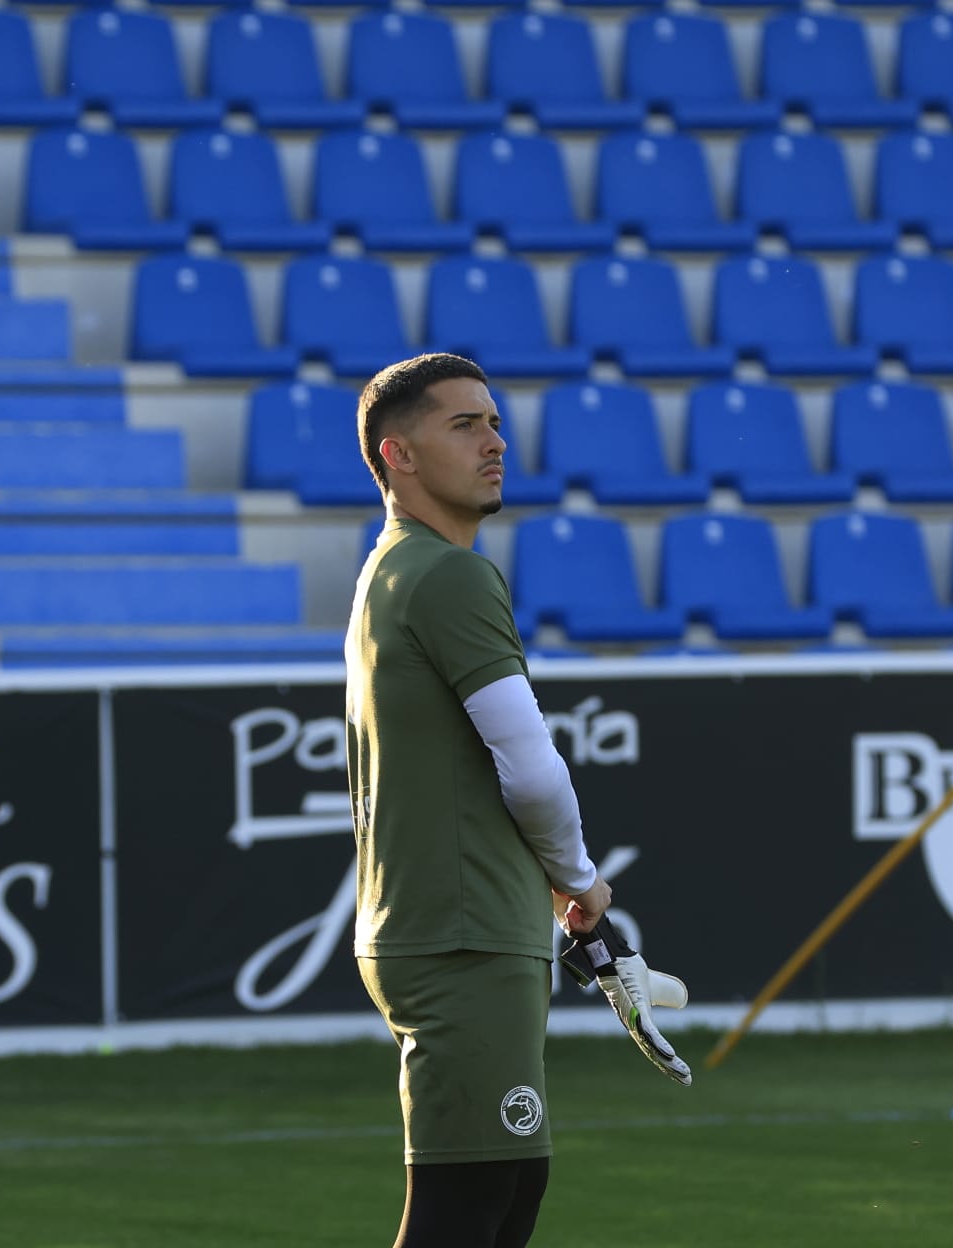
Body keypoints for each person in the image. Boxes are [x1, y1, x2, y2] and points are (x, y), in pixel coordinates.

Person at [344, 353, 616, 1248]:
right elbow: (529, 763)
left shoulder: (391, 570)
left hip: (449, 927)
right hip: (461, 936)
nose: (495, 442)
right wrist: (578, 878)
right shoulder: (452, 576)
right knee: (469, 1210)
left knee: (507, 1191)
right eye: (464, 425)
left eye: (495, 422)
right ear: (400, 455)